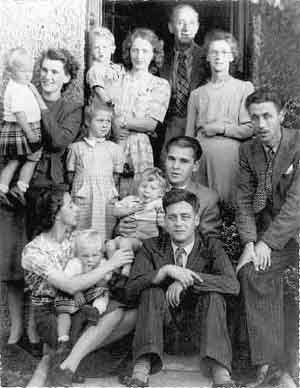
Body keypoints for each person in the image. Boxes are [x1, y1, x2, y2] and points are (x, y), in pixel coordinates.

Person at [0, 47, 82, 354]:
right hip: (17, 186)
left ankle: (35, 331)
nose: (47, 77)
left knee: (43, 260)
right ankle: (15, 332)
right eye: (44, 70)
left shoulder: (72, 107)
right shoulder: (16, 94)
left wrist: (40, 106)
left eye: (55, 72)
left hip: (50, 188)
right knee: (12, 258)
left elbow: (58, 140)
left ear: (67, 77)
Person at [123, 189, 239, 388]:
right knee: (152, 291)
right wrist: (165, 271)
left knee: (214, 296)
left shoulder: (210, 246)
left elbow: (232, 285)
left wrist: (187, 279)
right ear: (165, 221)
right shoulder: (151, 246)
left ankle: (221, 372)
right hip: (160, 333)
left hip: (201, 334)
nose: (178, 223)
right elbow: (130, 289)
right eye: (172, 217)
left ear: (196, 220)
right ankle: (140, 370)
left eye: (185, 217)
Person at [22, 187, 137, 386]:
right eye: (70, 205)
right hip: (54, 314)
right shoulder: (34, 251)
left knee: (132, 314)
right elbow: (69, 285)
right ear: (56, 214)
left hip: (83, 305)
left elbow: (100, 245)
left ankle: (66, 361)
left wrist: (124, 236)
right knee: (115, 313)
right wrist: (111, 264)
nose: (77, 209)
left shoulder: (74, 239)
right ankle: (67, 361)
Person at [235, 89, 300, 388]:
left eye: (267, 116)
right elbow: (244, 201)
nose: (260, 124)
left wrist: (265, 243)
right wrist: (250, 243)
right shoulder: (248, 151)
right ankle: (269, 366)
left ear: (282, 115)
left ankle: (293, 369)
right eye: (255, 117)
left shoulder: (298, 144)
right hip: (270, 237)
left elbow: (296, 205)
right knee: (252, 271)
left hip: (292, 231)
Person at [186, 29, 254, 204]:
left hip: (229, 157)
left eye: (224, 52)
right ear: (207, 57)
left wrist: (220, 128)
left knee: (227, 204)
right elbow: (188, 138)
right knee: (201, 205)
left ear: (232, 57)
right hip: (200, 158)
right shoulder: (197, 94)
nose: (219, 57)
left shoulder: (243, 88)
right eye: (214, 52)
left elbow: (249, 129)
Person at [118, 136, 222, 239]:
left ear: (195, 166)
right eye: (171, 159)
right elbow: (119, 224)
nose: (175, 166)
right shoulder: (145, 187)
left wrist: (174, 230)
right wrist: (120, 229)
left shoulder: (207, 199)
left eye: (183, 161)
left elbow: (210, 243)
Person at [112, 28, 170, 196]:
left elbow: (151, 123)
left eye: (145, 51)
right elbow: (106, 111)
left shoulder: (159, 84)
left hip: (140, 147)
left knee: (139, 193)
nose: (139, 56)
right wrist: (113, 126)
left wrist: (121, 122)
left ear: (154, 54)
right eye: (135, 50)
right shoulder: (117, 78)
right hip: (114, 142)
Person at [67, 105, 124, 240]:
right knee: (80, 231)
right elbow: (70, 175)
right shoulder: (76, 148)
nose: (105, 125)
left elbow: (116, 176)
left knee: (105, 231)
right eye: (100, 121)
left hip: (106, 198)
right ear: (88, 122)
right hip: (83, 196)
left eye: (108, 121)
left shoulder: (114, 149)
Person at [54, 229, 113, 355]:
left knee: (104, 292)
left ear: (102, 254)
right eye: (85, 256)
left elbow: (104, 282)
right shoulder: (74, 264)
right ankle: (63, 340)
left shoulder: (103, 263)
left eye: (95, 255)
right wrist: (76, 292)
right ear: (77, 254)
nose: (90, 259)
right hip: (73, 293)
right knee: (63, 313)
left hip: (92, 293)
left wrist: (95, 274)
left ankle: (96, 311)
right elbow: (67, 282)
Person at [161, 4, 206, 153]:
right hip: (169, 129)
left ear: (197, 27)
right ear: (170, 27)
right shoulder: (161, 60)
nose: (186, 28)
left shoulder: (207, 58)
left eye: (191, 23)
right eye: (180, 23)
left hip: (200, 128)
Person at [0, 48, 42, 206]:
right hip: (21, 129)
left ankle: (4, 188)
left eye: (30, 70)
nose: (27, 75)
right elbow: (19, 114)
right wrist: (30, 133)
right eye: (22, 71)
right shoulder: (16, 89)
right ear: (10, 71)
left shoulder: (20, 86)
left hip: (21, 129)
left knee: (15, 160)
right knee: (32, 157)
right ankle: (18, 188)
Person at [107, 167, 167, 276]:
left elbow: (165, 219)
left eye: (153, 188)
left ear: (161, 193)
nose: (147, 190)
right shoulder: (131, 200)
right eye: (143, 186)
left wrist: (161, 218)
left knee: (125, 243)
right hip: (128, 236)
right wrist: (130, 210)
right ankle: (114, 269)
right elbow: (115, 211)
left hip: (144, 240)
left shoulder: (158, 203)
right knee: (110, 244)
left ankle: (127, 267)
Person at [86, 27, 125, 109]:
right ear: (91, 50)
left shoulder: (117, 68)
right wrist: (112, 104)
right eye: (96, 47)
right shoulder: (95, 70)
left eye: (104, 47)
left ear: (112, 49)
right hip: (103, 108)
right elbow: (99, 91)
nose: (101, 51)